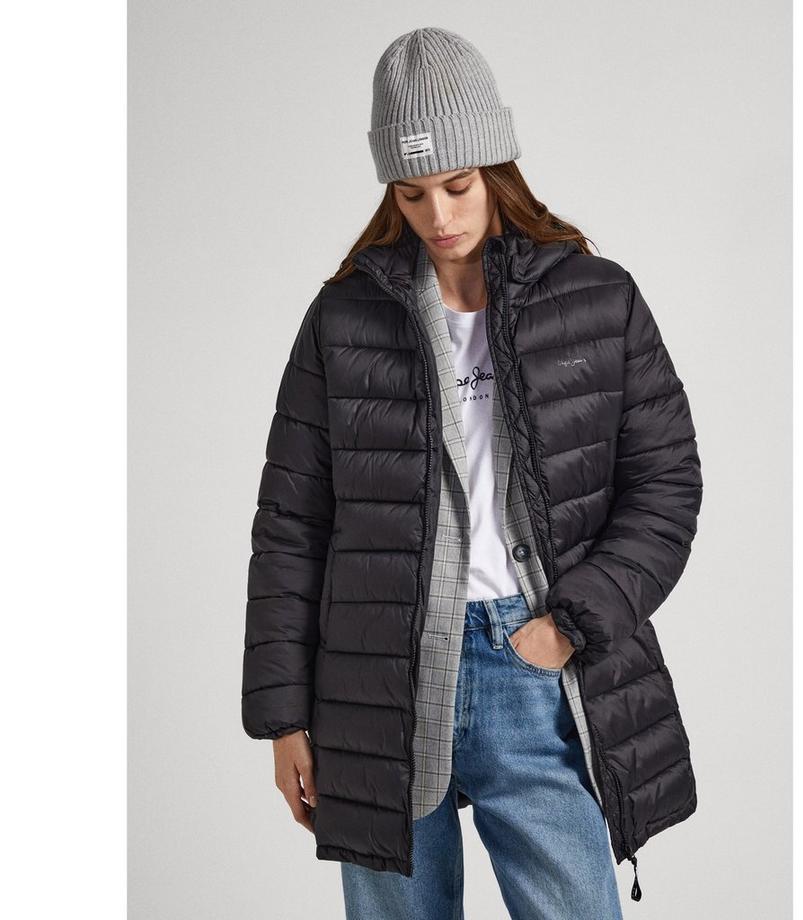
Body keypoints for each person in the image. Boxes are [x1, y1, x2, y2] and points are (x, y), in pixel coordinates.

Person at [241, 26, 703, 920]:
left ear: (496, 168)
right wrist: (284, 717)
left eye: (457, 185)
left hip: (531, 665)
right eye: (411, 194)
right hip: (375, 679)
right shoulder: (344, 318)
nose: (439, 215)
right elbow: (292, 525)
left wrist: (569, 626)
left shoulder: (596, 298)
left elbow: (666, 486)